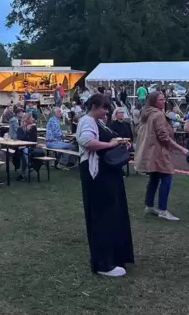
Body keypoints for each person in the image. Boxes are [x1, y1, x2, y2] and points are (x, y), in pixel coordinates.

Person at [77, 93, 134, 277]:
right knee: (103, 216)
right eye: (103, 107)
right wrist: (110, 144)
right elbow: (87, 142)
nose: (106, 111)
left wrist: (118, 142)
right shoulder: (87, 121)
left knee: (112, 214)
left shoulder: (98, 122)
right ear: (93, 106)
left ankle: (114, 257)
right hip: (98, 177)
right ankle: (103, 263)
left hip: (107, 175)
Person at [136, 91, 189, 221]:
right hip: (159, 151)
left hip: (151, 151)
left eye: (164, 99)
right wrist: (181, 148)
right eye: (160, 100)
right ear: (154, 102)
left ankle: (149, 205)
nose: (163, 101)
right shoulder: (158, 115)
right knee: (166, 177)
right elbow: (164, 137)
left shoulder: (147, 114)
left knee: (154, 178)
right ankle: (163, 210)